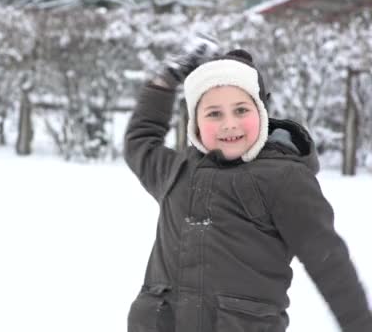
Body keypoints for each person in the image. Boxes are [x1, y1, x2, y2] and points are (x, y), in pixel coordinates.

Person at [123, 47, 372, 332]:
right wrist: (164, 83)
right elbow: (140, 141)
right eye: (214, 113)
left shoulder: (284, 179)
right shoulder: (176, 172)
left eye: (241, 110)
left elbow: (329, 262)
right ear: (196, 124)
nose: (230, 124)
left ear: (261, 112)